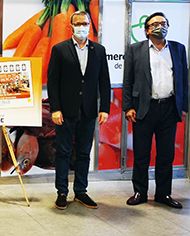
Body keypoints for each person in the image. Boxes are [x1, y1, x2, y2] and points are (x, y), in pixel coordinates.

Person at [123, 12, 188, 209]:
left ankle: (163, 194)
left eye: (163, 23)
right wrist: (128, 107)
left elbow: (184, 80)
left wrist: (183, 106)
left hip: (169, 108)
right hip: (145, 108)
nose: (160, 26)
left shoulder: (178, 48)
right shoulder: (135, 49)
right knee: (142, 153)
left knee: (166, 154)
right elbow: (128, 81)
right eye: (155, 24)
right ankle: (140, 192)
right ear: (146, 30)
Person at [47, 11, 111, 210]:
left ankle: (81, 191)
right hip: (65, 111)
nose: (81, 26)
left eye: (85, 23)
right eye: (78, 23)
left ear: (90, 25)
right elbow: (53, 81)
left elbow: (104, 82)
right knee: (64, 152)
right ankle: (62, 192)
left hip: (89, 110)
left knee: (84, 153)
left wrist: (105, 109)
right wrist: (55, 108)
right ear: (71, 26)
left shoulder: (99, 50)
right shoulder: (59, 49)